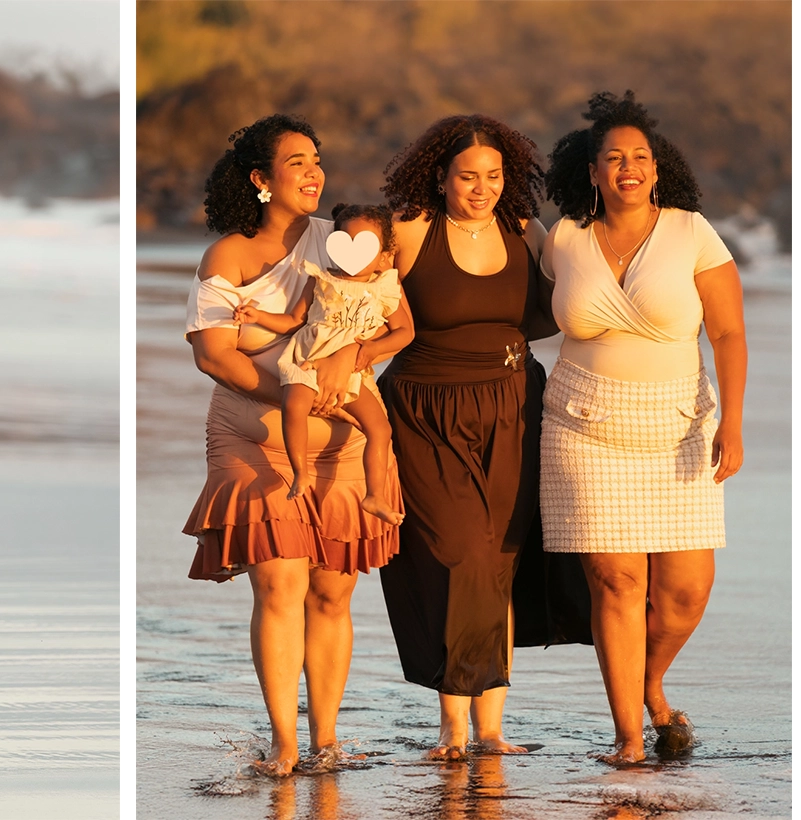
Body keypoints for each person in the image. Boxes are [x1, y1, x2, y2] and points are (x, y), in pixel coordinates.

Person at [183, 115, 401, 777]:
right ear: (260, 179)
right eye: (296, 162)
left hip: (341, 446)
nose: (313, 173)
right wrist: (298, 393)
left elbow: (387, 317)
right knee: (280, 584)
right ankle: (284, 742)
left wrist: (348, 367)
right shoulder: (226, 256)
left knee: (332, 594)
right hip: (253, 440)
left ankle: (326, 740)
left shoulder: (341, 242)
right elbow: (215, 357)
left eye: (317, 160)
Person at [540, 91, 748, 766]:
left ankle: (650, 683)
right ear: (592, 171)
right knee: (619, 585)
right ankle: (629, 735)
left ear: (657, 169)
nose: (628, 167)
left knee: (686, 590)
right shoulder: (565, 238)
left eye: (640, 157)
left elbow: (728, 330)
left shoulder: (692, 232)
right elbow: (513, 304)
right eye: (613, 158)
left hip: (680, 424)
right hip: (582, 425)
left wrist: (734, 423)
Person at [376, 113, 590, 761]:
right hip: (423, 412)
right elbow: (350, 298)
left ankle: (489, 729)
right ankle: (453, 725)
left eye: (494, 176)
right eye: (468, 176)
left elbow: (582, 293)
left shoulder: (526, 231)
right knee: (456, 554)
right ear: (439, 176)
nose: (481, 188)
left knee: (500, 560)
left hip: (514, 405)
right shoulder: (410, 229)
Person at [233, 203, 412, 525]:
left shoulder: (387, 287)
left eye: (367, 246)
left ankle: (375, 496)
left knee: (380, 429)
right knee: (295, 408)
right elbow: (293, 320)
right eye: (346, 242)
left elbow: (405, 332)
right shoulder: (321, 279)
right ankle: (300, 473)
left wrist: (370, 350)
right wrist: (257, 316)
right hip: (308, 359)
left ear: (385, 253)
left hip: (354, 371)